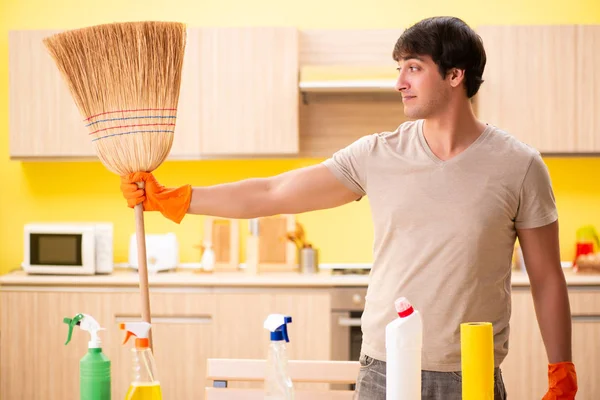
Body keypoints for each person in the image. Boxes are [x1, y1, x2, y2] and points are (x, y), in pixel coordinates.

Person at [120, 16, 578, 400]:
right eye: (399, 67)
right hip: (384, 367)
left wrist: (561, 367)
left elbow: (546, 277)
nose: (400, 82)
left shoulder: (519, 165)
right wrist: (180, 199)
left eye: (414, 68)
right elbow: (274, 192)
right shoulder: (376, 155)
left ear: (455, 75)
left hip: (471, 374)